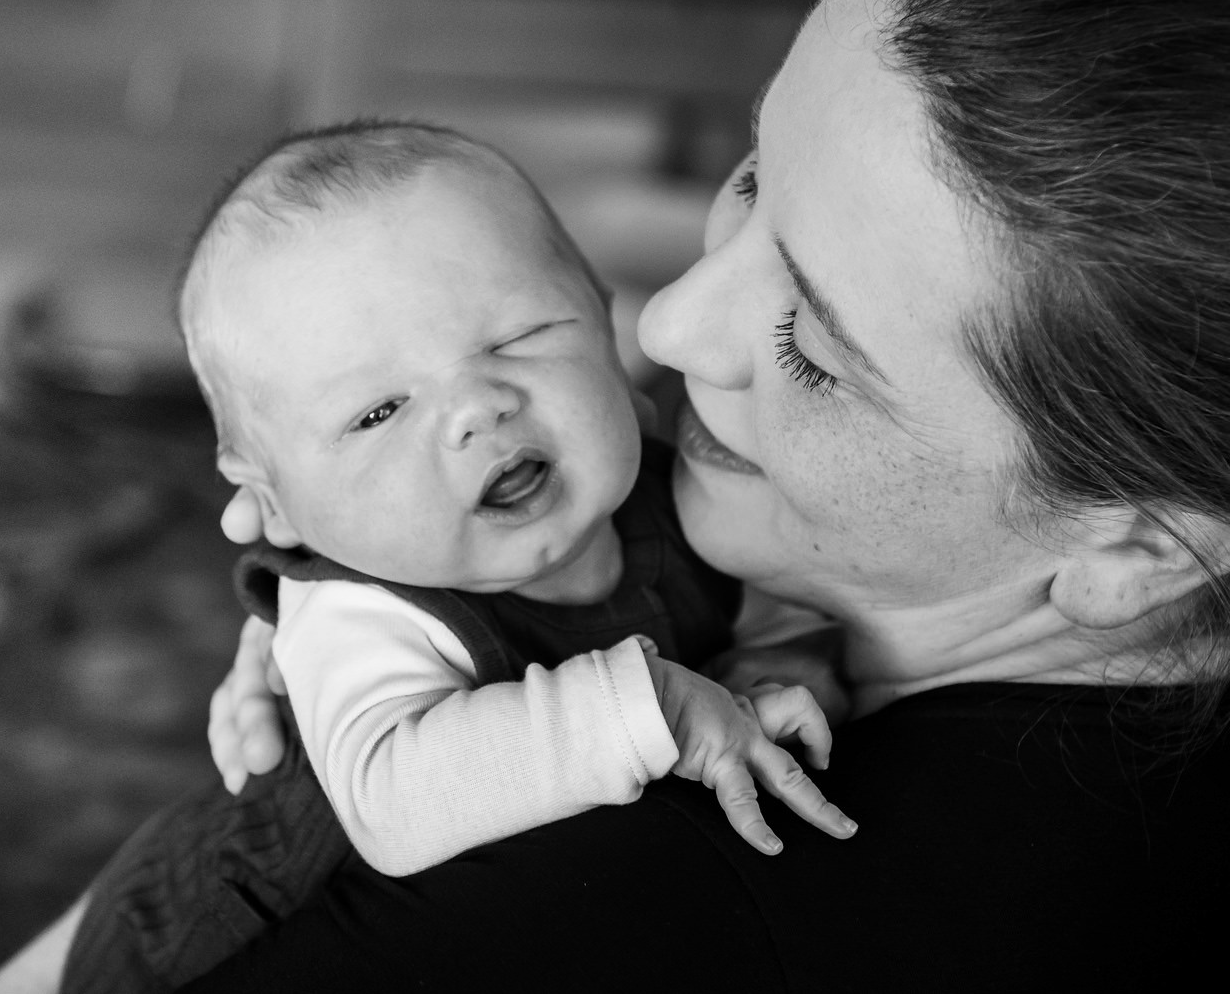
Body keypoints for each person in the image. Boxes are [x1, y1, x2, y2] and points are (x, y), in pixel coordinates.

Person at [0, 0, 1230, 990]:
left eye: (812, 345)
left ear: (1136, 543)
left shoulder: (636, 902)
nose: (668, 324)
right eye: (752, 180)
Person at [57, 121, 855, 993]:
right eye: (377, 412)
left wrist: (772, 681)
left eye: (518, 338)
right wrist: (659, 705)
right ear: (276, 505)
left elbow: (784, 621)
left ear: (603, 324)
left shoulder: (683, 501)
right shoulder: (361, 612)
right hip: (215, 947)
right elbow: (396, 802)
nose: (477, 408)